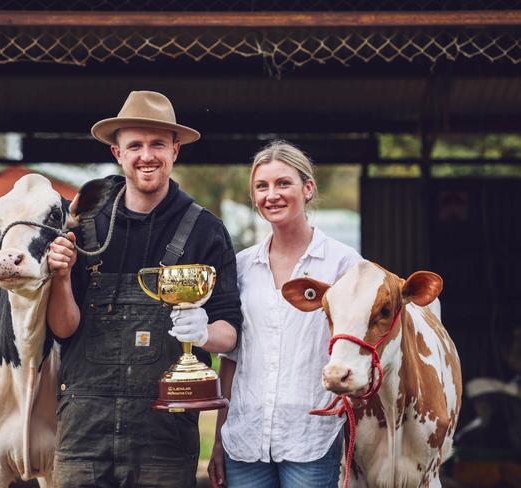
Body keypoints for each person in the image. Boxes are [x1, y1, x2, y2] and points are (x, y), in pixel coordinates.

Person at [46, 90, 242, 488]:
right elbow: (64, 330)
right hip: (84, 432)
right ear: (118, 154)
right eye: (135, 145)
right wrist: (62, 278)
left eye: (157, 144)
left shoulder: (206, 231)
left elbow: (230, 333)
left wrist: (204, 332)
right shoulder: (85, 226)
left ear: (175, 150)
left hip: (164, 435)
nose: (146, 155)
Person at [208, 140, 362, 488]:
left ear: (308, 188)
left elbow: (355, 353)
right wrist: (219, 438)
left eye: (283, 183)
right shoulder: (242, 266)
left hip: (311, 438)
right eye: (261, 186)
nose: (271, 195)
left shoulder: (342, 263)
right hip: (245, 439)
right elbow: (231, 358)